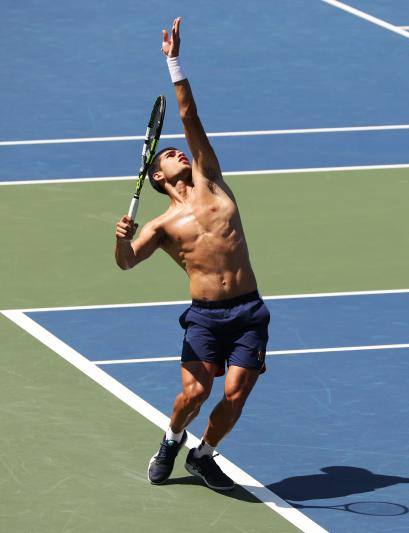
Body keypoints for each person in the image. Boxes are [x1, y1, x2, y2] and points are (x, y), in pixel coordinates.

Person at [114, 17, 268, 491]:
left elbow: (190, 118)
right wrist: (121, 236)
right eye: (168, 155)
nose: (179, 152)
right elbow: (125, 261)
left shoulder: (212, 181)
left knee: (236, 394)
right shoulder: (161, 226)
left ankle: (203, 455)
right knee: (194, 393)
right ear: (156, 177)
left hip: (248, 309)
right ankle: (172, 438)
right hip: (205, 317)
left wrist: (174, 62)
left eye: (180, 151)